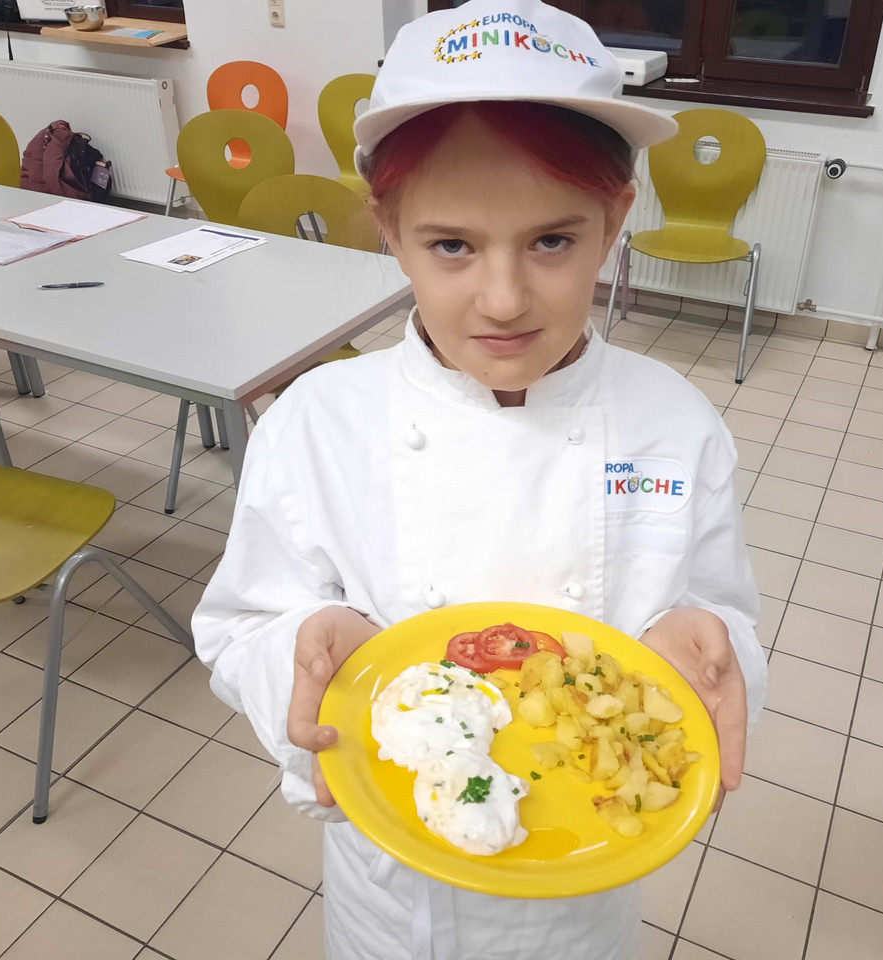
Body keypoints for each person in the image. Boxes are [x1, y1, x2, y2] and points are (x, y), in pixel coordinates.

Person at [192, 2, 767, 956]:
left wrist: (708, 647)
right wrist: (302, 648)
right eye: (452, 245)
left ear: (615, 222)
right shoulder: (319, 420)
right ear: (389, 228)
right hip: (391, 901)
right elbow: (241, 624)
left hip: (584, 891)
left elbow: (722, 612)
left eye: (552, 241)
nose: (503, 300)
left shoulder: (675, 423)